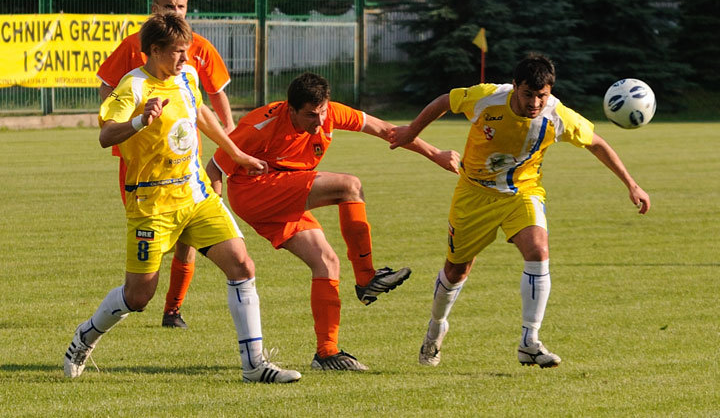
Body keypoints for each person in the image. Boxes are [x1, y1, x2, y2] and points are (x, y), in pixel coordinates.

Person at [64, 12, 301, 383]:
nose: (186, 60)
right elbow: (106, 135)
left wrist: (236, 155)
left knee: (242, 265)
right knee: (139, 296)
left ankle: (254, 365)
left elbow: (200, 113)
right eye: (177, 52)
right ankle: (84, 337)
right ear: (155, 51)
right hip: (151, 205)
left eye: (186, 52)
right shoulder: (133, 87)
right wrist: (141, 121)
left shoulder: (186, 77)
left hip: (195, 195)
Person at [389, 54, 651, 368]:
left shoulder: (558, 115)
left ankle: (530, 341)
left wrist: (631, 184)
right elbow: (446, 100)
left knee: (538, 250)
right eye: (528, 94)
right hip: (474, 194)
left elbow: (596, 143)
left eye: (542, 95)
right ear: (515, 87)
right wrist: (412, 132)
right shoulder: (487, 98)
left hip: (522, 193)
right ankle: (435, 329)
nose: (535, 102)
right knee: (457, 269)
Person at [206, 72, 461, 371]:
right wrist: (216, 211)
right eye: (310, 115)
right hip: (254, 192)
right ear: (291, 109)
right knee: (348, 185)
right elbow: (214, 167)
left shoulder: (329, 113)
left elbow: (386, 130)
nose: (319, 121)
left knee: (327, 261)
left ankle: (326, 353)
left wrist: (435, 154)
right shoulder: (259, 125)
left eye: (323, 112)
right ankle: (366, 278)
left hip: (286, 189)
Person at [97, 0, 234, 329]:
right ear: (154, 8)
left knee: (197, 241)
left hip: (188, 163)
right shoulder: (134, 46)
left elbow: (213, 94)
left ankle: (173, 309)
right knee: (151, 256)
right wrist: (131, 125)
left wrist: (229, 137)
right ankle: (132, 298)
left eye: (181, 7)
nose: (176, 12)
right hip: (142, 164)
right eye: (168, 7)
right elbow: (109, 88)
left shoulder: (197, 47)